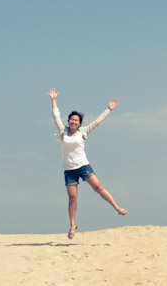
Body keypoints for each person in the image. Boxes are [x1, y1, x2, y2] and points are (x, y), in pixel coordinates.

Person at [48, 88, 126, 239]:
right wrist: (53, 100)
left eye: (76, 120)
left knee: (98, 188)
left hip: (83, 166)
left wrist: (108, 110)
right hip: (69, 170)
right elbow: (56, 117)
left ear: (79, 123)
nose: (73, 122)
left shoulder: (83, 132)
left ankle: (117, 208)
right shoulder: (63, 132)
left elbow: (97, 122)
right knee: (72, 198)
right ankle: (72, 225)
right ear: (69, 121)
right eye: (72, 119)